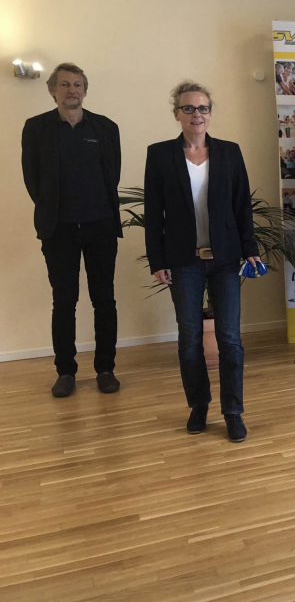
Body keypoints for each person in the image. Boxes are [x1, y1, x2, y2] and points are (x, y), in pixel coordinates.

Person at [143, 81, 262, 442]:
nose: (197, 114)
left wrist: (250, 248)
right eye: (189, 108)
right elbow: (153, 213)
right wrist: (157, 259)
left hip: (225, 259)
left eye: (203, 108)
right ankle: (198, 405)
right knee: (190, 339)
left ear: (210, 113)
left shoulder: (229, 152)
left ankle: (233, 412)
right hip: (184, 262)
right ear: (176, 113)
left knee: (230, 339)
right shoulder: (160, 154)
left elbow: (242, 205)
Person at [21, 63, 122, 398]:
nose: (71, 90)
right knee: (64, 301)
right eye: (64, 84)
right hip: (58, 230)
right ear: (52, 90)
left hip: (101, 226)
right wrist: (53, 209)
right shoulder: (36, 128)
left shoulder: (105, 127)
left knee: (104, 299)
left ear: (85, 90)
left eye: (77, 84)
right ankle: (65, 372)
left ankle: (105, 369)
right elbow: (32, 179)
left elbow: (112, 175)